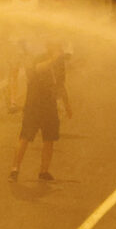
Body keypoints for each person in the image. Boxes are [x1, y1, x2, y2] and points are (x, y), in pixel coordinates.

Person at [9, 42, 72, 182]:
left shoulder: (60, 63)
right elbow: (37, 69)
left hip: (50, 104)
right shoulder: (40, 57)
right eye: (57, 47)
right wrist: (53, 59)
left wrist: (67, 104)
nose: (60, 51)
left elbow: (61, 84)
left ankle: (44, 171)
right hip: (34, 103)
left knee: (49, 138)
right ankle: (15, 169)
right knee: (25, 137)